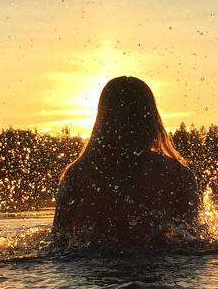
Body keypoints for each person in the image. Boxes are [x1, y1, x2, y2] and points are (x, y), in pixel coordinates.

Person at [52, 76, 200, 247]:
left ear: (102, 118)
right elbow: (191, 240)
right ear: (151, 118)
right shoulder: (177, 174)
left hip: (96, 267)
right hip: (155, 266)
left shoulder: (78, 174)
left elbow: (58, 241)